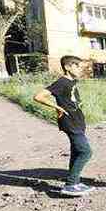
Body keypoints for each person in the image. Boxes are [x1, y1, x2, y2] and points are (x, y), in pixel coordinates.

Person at [33, 56, 95, 196]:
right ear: (67, 67)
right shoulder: (61, 82)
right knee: (86, 152)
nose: (80, 69)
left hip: (77, 120)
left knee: (76, 152)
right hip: (70, 122)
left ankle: (75, 182)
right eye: (77, 66)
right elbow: (39, 96)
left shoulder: (72, 82)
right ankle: (70, 184)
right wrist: (57, 107)